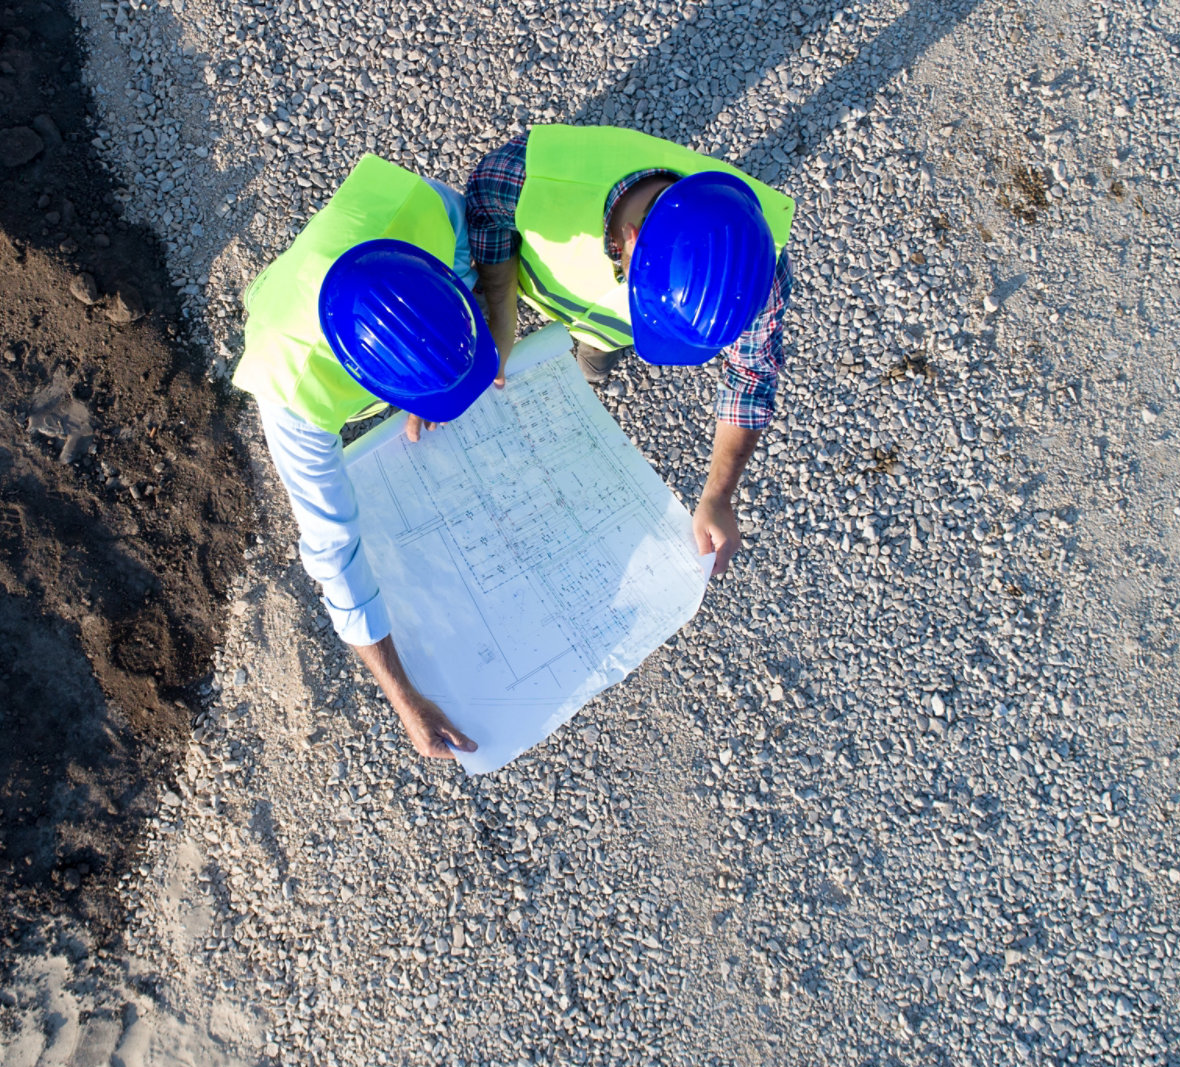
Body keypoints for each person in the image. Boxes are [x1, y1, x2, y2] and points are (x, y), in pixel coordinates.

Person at [233, 140, 781, 760]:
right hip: (292, 322)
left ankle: (550, 341)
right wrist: (403, 696)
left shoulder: (423, 210)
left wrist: (477, 335)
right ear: (373, 387)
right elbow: (335, 556)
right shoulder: (293, 403)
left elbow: (471, 241)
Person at [465, 124, 795, 580]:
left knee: (593, 360)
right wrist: (502, 319)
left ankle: (590, 369)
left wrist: (718, 495)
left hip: (604, 331)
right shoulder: (528, 178)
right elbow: (484, 213)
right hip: (540, 291)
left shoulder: (754, 269)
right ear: (631, 240)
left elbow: (751, 375)